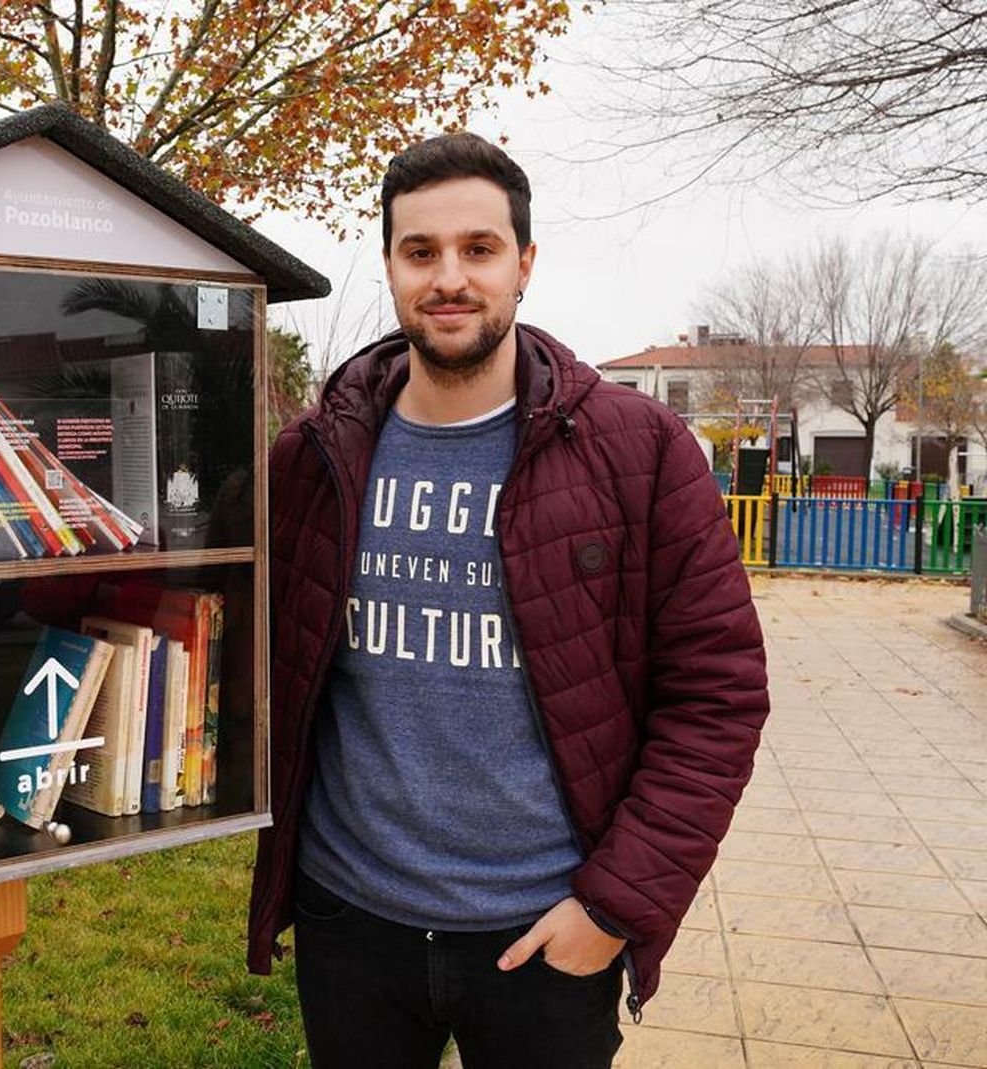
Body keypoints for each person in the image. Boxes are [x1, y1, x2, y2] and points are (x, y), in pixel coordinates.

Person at [245, 132, 769, 1068]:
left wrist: (613, 908)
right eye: (421, 251)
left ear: (524, 264)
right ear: (390, 266)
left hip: (546, 932)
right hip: (350, 918)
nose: (449, 277)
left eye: (478, 249)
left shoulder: (639, 451)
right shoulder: (314, 456)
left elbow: (718, 695)